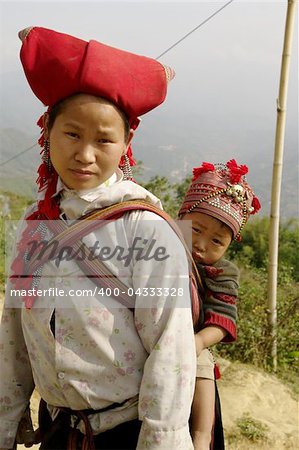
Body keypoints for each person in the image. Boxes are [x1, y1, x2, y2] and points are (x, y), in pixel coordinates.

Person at [0, 27, 197, 450]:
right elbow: (16, 329)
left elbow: (171, 345)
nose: (85, 154)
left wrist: (160, 440)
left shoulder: (145, 227)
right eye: (72, 134)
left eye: (104, 140)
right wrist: (5, 418)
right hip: (57, 428)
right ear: (46, 131)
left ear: (126, 143)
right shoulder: (36, 224)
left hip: (126, 433)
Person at [178, 160, 261, 450]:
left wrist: (198, 342)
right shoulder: (160, 252)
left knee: (202, 374)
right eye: (196, 229)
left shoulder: (223, 273)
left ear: (228, 247)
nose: (201, 244)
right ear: (180, 218)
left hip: (193, 344)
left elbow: (223, 319)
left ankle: (202, 440)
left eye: (216, 241)